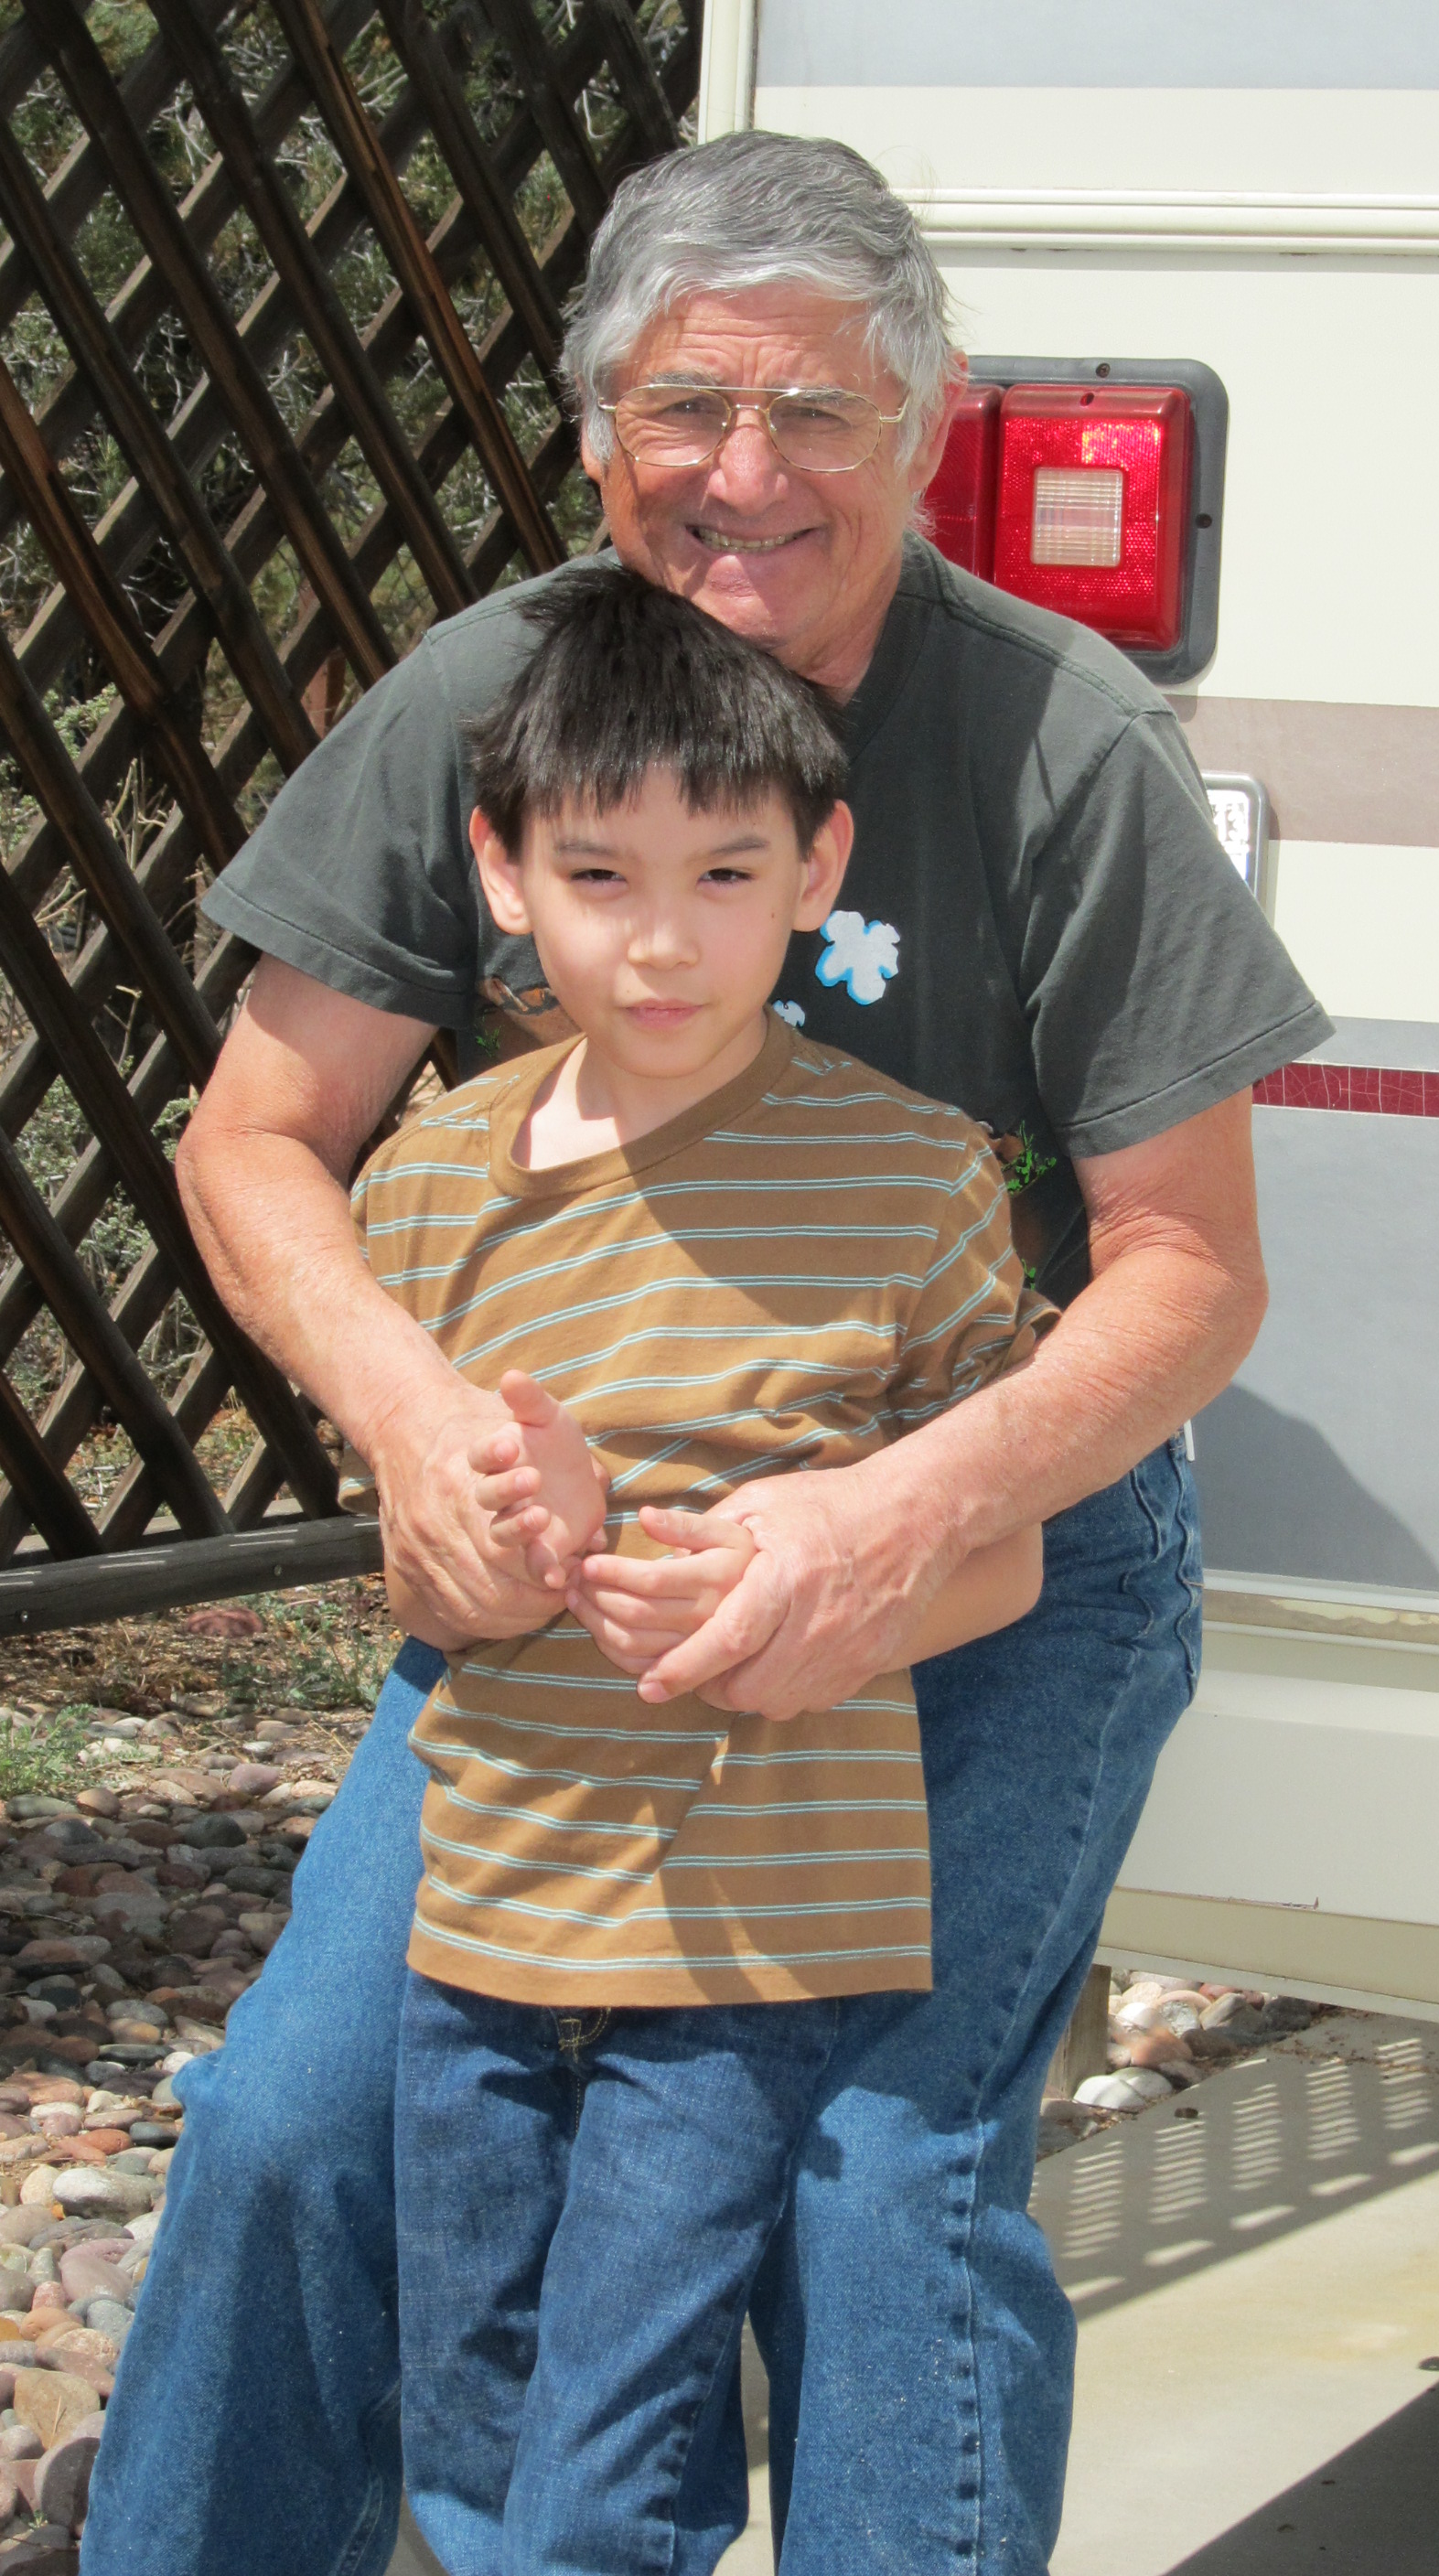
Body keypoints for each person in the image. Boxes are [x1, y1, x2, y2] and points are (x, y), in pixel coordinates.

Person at [82, 131, 1329, 2576]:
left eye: (814, 418)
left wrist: (889, 1511)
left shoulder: (1064, 739)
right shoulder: (491, 695)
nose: (741, 479)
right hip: (580, 1599)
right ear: (590, 431)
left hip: (989, 1573)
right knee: (296, 2130)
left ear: (925, 423)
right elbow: (256, 1138)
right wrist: (417, 1412)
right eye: (683, 411)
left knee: (875, 2172)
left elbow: (1192, 1268)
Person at [357, 566, 1046, 2573]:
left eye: (727, 873)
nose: (663, 940)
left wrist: (793, 1607)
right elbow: (428, 1602)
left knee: (615, 2442)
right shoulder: (423, 1188)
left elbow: (995, 1561)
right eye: (599, 874)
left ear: (818, 865)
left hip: (746, 1944)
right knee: (472, 2419)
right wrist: (513, 1539)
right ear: (501, 873)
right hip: (484, 1918)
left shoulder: (915, 1178)